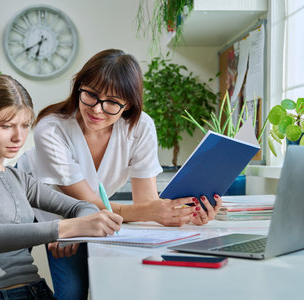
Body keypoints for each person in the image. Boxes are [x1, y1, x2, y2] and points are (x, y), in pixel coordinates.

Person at [17, 49, 223, 299]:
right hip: (40, 201)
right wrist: (151, 212)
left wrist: (188, 213)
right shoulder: (51, 128)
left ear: (128, 104)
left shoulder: (140, 126)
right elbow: (84, 203)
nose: (97, 109)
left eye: (112, 102)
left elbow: (145, 202)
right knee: (71, 290)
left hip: (91, 207)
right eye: (90, 94)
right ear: (78, 87)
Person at [0, 74, 123, 300]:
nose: (19, 137)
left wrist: (73, 233)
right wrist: (66, 229)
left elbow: (83, 207)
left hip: (36, 290)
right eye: (6, 126)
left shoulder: (19, 178)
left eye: (25, 126)